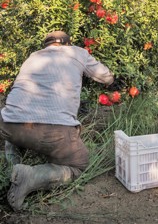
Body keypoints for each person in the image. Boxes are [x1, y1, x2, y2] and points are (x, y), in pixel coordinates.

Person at [0, 31, 115, 211]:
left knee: (11, 127)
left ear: (46, 45)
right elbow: (106, 77)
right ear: (67, 44)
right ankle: (31, 176)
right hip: (54, 132)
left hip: (8, 124)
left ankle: (11, 168)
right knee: (78, 165)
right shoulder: (77, 53)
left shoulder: (33, 56)